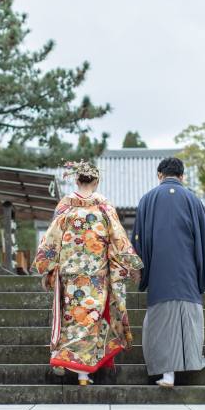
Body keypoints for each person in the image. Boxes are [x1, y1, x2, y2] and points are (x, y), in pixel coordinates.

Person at [33, 159, 143, 386]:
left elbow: (51, 241)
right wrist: (132, 265)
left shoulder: (65, 206)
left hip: (69, 274)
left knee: (71, 318)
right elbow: (119, 239)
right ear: (97, 181)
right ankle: (83, 374)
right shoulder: (104, 207)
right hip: (96, 275)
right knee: (90, 319)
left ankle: (63, 358)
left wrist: (47, 269)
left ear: (76, 180)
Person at [132, 156, 205, 389]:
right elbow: (204, 240)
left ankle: (167, 373)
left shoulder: (147, 200)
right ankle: (189, 363)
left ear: (160, 175)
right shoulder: (193, 200)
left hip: (160, 273)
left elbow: (138, 240)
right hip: (188, 272)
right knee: (188, 315)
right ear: (182, 176)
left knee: (161, 320)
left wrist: (139, 268)